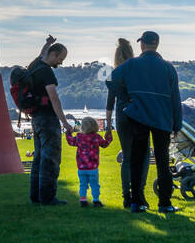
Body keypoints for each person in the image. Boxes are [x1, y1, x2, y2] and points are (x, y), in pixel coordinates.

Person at [106, 30, 182, 213]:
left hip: (138, 116)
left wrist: (127, 98)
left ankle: (136, 202)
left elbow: (111, 81)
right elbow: (175, 98)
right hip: (162, 118)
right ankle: (165, 203)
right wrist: (177, 124)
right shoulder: (168, 67)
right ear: (157, 44)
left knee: (137, 160)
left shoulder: (132, 64)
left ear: (142, 45)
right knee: (163, 161)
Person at [25, 35, 72, 206]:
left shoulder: (35, 65)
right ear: (53, 54)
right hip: (48, 119)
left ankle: (35, 195)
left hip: (36, 118)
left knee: (38, 158)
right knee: (50, 159)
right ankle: (48, 197)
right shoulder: (46, 72)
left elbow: (42, 53)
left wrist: (47, 43)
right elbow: (54, 98)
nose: (61, 62)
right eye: (60, 58)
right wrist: (65, 122)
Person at [104, 37, 149, 208]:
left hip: (122, 117)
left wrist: (108, 126)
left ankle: (126, 195)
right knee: (143, 156)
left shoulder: (114, 75)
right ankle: (140, 193)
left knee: (127, 157)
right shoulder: (138, 73)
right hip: (139, 115)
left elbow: (110, 103)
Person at [65, 116, 113, 207]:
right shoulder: (96, 137)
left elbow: (70, 141)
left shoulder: (79, 137)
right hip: (93, 168)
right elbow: (104, 144)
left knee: (83, 184)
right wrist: (109, 137)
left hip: (81, 168)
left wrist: (68, 133)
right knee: (95, 184)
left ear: (82, 127)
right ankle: (96, 200)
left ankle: (83, 200)